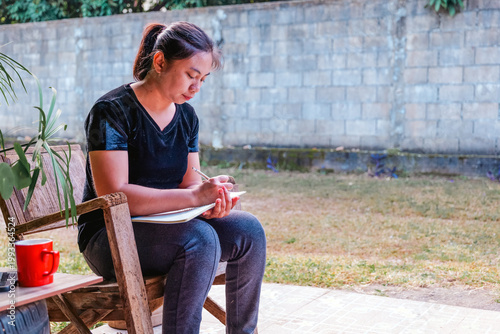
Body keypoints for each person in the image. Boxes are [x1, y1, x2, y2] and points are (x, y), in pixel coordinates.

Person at [77, 21, 266, 334]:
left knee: (248, 230)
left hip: (167, 227)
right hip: (110, 236)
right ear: (160, 61)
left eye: (203, 79)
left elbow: (189, 183)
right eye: (191, 75)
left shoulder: (187, 116)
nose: (196, 87)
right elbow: (114, 195)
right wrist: (194, 197)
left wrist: (208, 200)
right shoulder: (112, 111)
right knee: (199, 240)